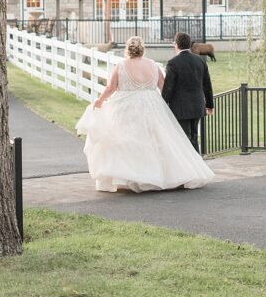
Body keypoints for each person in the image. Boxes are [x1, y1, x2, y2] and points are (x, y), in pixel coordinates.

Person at [75, 35, 214, 193]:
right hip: (151, 106)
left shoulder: (121, 65)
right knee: (158, 140)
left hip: (127, 106)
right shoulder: (153, 65)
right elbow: (163, 87)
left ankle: (132, 175)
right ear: (142, 49)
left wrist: (100, 101)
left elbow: (110, 88)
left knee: (127, 139)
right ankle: (164, 174)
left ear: (128, 49)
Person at [162, 31, 214, 153]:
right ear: (189, 44)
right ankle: (198, 165)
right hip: (198, 106)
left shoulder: (173, 63)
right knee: (194, 137)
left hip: (180, 108)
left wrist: (163, 105)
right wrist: (209, 105)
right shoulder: (200, 60)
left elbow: (168, 87)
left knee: (184, 140)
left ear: (176, 45)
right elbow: (207, 84)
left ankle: (194, 168)